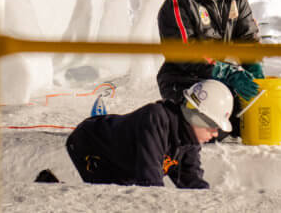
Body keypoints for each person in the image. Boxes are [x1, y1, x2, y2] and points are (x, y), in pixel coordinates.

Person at [156, 0, 263, 137]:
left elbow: (248, 36)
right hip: (184, 82)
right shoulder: (178, 4)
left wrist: (253, 66)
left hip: (219, 83)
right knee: (209, 131)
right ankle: (174, 118)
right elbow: (187, 56)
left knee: (250, 125)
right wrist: (228, 73)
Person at [64, 78, 232, 188]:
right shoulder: (156, 119)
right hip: (90, 143)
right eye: (214, 127)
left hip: (122, 161)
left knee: (123, 193)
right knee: (110, 199)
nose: (216, 134)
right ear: (198, 118)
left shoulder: (188, 141)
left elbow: (192, 182)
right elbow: (150, 184)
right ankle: (49, 189)